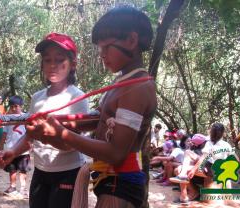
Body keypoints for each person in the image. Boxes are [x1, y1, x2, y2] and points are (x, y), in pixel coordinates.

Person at [22, 6, 156, 207]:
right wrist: (56, 122)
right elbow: (97, 119)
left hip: (119, 188)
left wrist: (61, 134)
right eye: (99, 48)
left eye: (106, 47)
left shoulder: (137, 87)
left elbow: (116, 153)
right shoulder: (123, 83)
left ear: (131, 40)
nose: (101, 55)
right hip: (111, 184)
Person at [0, 32, 89, 208]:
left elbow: (73, 143)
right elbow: (30, 136)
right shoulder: (37, 98)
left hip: (69, 172)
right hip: (41, 171)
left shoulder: (78, 98)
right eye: (47, 60)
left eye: (60, 60)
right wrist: (12, 152)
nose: (53, 65)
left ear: (73, 64)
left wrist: (47, 134)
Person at [0, 96, 30, 198]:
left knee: (23, 169)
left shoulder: (27, 117)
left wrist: (31, 145)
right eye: (12, 107)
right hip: (10, 148)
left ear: (21, 106)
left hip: (23, 149)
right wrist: (0, 146)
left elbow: (30, 132)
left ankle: (23, 189)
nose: (14, 109)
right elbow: (4, 133)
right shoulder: (7, 118)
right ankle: (12, 186)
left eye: (16, 106)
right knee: (12, 169)